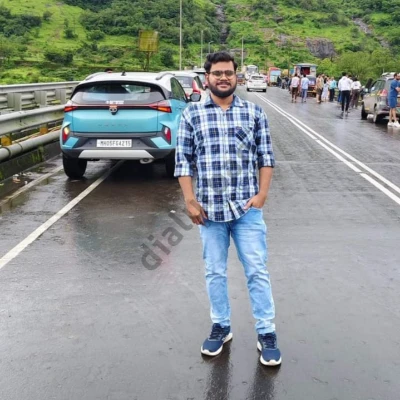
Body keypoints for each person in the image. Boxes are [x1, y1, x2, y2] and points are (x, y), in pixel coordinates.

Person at [174, 51, 281, 367]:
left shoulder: (254, 113)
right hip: (209, 213)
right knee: (214, 271)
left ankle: (267, 332)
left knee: (257, 271)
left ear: (237, 77)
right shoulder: (192, 115)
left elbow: (266, 157)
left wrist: (262, 195)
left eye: (229, 73)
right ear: (207, 78)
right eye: (217, 73)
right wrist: (189, 201)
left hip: (247, 210)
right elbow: (183, 161)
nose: (223, 78)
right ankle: (221, 326)